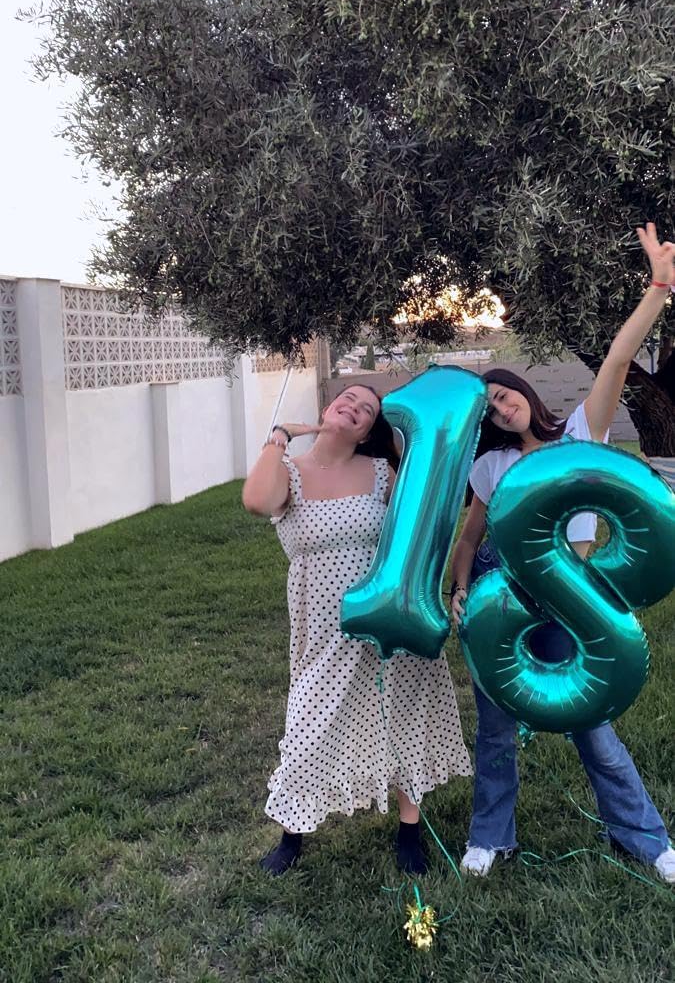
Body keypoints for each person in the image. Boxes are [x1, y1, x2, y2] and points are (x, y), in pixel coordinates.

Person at [451, 222, 675, 883]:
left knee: (591, 724)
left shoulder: (578, 435)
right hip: (503, 592)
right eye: (490, 408)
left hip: (570, 593)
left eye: (503, 393)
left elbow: (615, 363)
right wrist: (459, 587)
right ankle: (490, 837)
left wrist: (658, 288)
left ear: (523, 391)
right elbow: (469, 540)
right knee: (495, 726)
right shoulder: (490, 467)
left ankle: (644, 837)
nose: (501, 407)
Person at [243, 384, 471, 876]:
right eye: (349, 399)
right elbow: (257, 501)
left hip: (389, 615)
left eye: (367, 410)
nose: (355, 408)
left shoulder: (382, 471)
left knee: (406, 713)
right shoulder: (289, 471)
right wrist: (279, 436)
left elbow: (420, 528)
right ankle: (292, 834)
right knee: (310, 721)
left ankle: (409, 831)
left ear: (369, 431)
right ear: (329, 408)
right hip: (324, 624)